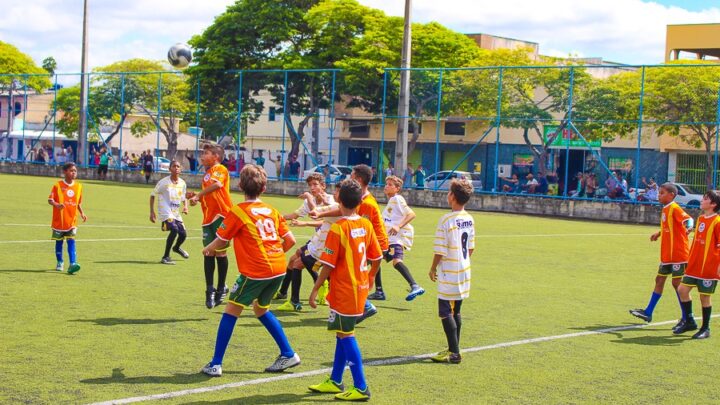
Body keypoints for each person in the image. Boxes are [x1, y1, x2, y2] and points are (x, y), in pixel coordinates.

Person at [200, 164, 301, 376]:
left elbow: (221, 240)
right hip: (279, 269)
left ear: (239, 185)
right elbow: (290, 240)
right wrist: (272, 256)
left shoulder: (238, 211)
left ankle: (216, 363)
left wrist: (208, 249)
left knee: (231, 311)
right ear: (263, 188)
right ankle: (288, 353)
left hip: (257, 271)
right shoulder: (272, 210)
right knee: (261, 309)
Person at [307, 179, 382, 402]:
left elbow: (328, 264)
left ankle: (361, 387)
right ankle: (336, 380)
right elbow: (376, 258)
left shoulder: (339, 228)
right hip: (359, 289)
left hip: (344, 290)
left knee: (346, 334)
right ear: (360, 201)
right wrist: (369, 278)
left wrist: (314, 290)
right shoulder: (366, 225)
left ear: (338, 199)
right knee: (342, 332)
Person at [311, 164, 389, 324]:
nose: (348, 179)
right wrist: (321, 213)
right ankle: (358, 305)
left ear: (358, 180)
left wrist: (372, 274)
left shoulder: (366, 205)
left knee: (345, 272)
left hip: (372, 244)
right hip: (366, 243)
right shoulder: (359, 200)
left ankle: (364, 305)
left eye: (351, 176)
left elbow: (360, 230)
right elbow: (345, 211)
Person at [629, 183, 693, 326]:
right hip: (667, 256)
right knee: (659, 280)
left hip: (678, 254)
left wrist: (689, 227)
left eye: (662, 193)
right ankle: (648, 312)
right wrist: (658, 233)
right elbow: (669, 227)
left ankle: (686, 317)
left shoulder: (675, 208)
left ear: (671, 195)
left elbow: (688, 219)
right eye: (659, 193)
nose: (659, 195)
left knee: (677, 284)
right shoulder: (665, 209)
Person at [429, 178, 475, 364]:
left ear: (453, 197)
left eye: (449, 192)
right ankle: (453, 347)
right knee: (455, 311)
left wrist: (433, 268)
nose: (447, 195)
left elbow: (440, 249)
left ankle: (455, 353)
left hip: (450, 272)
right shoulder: (469, 218)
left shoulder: (446, 220)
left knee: (445, 311)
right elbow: (471, 248)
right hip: (464, 269)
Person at [275, 173, 335, 311]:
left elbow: (321, 218)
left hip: (326, 243)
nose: (312, 188)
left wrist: (304, 223)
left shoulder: (331, 201)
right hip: (317, 240)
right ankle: (284, 293)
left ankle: (301, 297)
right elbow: (293, 215)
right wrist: (275, 217)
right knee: (294, 260)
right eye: (310, 185)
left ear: (323, 186)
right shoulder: (310, 201)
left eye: (315, 184)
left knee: (298, 263)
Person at [188, 144, 234, 309]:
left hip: (221, 215)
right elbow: (209, 196)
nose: (202, 156)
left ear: (215, 156)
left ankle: (221, 287)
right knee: (208, 252)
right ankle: (209, 290)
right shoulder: (207, 174)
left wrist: (199, 194)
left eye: (205, 153)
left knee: (220, 253)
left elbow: (218, 186)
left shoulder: (220, 169)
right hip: (208, 218)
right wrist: (195, 198)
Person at [368, 175, 424, 301]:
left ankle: (415, 285)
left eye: (390, 185)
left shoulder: (397, 199)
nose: (386, 186)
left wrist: (398, 226)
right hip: (388, 240)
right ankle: (379, 291)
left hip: (396, 239)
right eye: (386, 184)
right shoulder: (391, 202)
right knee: (374, 259)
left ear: (397, 188)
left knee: (396, 261)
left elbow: (411, 214)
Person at [673, 191, 720, 339]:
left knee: (704, 297)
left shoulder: (717, 222)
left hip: (708, 266)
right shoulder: (700, 219)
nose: (702, 200)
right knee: (682, 290)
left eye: (706, 199)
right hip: (694, 265)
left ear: (713, 204)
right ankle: (690, 321)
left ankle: (705, 329)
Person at [48, 162, 87, 274]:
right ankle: (60, 261)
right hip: (59, 221)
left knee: (71, 241)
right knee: (59, 242)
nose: (74, 173)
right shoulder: (57, 185)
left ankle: (73, 263)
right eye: (71, 171)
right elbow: (50, 200)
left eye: (75, 171)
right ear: (65, 172)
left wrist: (82, 213)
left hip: (72, 221)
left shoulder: (79, 186)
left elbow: (78, 202)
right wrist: (57, 205)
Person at [150, 160, 190, 265]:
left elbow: (184, 197)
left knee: (183, 235)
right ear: (170, 169)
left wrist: (185, 206)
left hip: (176, 212)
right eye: (174, 166)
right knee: (174, 229)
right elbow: (152, 195)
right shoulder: (163, 182)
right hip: (165, 211)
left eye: (178, 166)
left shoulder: (182, 183)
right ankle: (166, 257)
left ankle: (176, 248)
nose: (176, 168)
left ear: (180, 169)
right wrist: (152, 212)